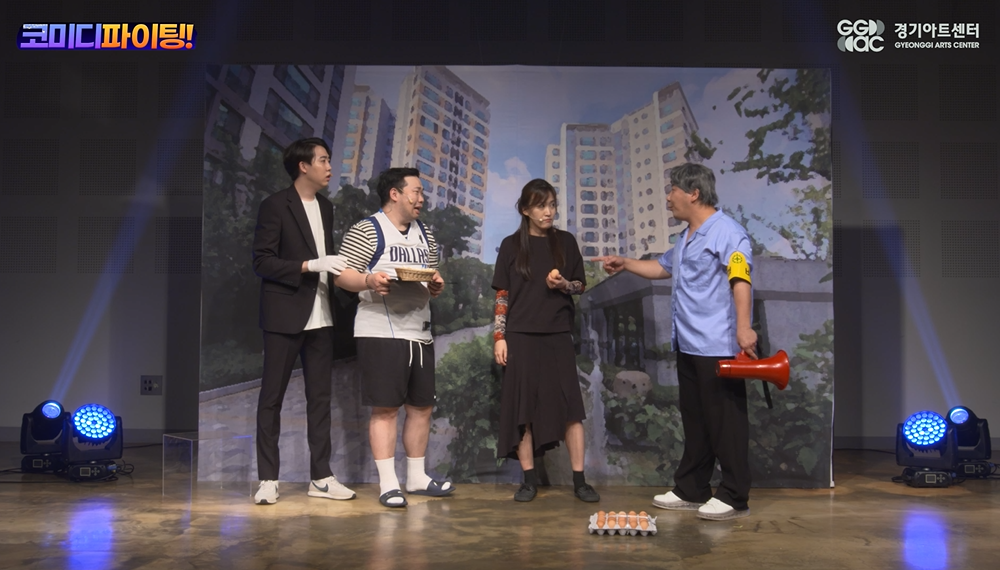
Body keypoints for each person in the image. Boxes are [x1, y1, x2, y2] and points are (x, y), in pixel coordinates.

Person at [596, 162, 757, 521]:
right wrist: (625, 263)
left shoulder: (727, 232)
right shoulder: (685, 238)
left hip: (717, 345)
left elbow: (740, 278)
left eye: (672, 190)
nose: (668, 198)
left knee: (726, 422)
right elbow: (662, 268)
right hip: (688, 344)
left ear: (693, 193)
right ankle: (692, 488)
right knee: (696, 420)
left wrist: (744, 327)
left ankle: (734, 495)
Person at [333, 167, 453, 508]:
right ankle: (388, 484)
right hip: (380, 331)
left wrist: (435, 284)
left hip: (420, 332)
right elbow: (342, 275)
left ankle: (416, 477)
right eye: (416, 191)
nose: (421, 198)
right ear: (395, 194)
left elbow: (430, 272)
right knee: (385, 409)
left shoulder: (425, 233)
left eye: (422, 192)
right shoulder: (368, 229)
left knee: (421, 407)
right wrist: (369, 281)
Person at [251, 137, 356, 505]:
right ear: (303, 166)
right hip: (284, 315)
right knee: (272, 399)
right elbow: (262, 261)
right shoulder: (274, 205)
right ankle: (268, 478)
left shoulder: (326, 207)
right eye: (323, 160)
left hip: (322, 315)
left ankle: (321, 477)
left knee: (320, 399)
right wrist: (310, 265)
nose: (329, 167)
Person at [492, 179, 600, 503]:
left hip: (557, 334)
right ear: (525, 210)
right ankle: (528, 481)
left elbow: (580, 285)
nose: (548, 211)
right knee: (522, 409)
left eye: (552, 204)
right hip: (520, 335)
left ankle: (580, 481)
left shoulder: (565, 242)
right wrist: (499, 336)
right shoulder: (511, 246)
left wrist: (564, 284)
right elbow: (502, 295)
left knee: (571, 409)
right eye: (541, 205)